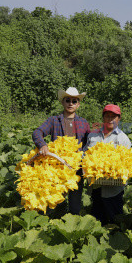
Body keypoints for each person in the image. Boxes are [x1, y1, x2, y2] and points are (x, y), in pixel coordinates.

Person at [32, 87, 90, 215]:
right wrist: (42, 145)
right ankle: (49, 227)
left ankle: (72, 226)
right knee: (54, 202)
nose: (71, 103)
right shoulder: (53, 121)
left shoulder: (83, 123)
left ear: (78, 104)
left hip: (76, 170)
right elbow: (37, 132)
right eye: (67, 100)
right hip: (56, 169)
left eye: (74, 101)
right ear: (62, 102)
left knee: (75, 205)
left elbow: (90, 143)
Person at [83, 104, 132, 225]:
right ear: (103, 118)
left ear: (119, 119)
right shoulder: (92, 135)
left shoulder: (123, 138)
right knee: (97, 218)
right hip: (96, 186)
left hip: (114, 188)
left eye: (113, 117)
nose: (110, 119)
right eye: (107, 116)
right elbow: (84, 155)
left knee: (114, 219)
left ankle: (115, 239)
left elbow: (128, 162)